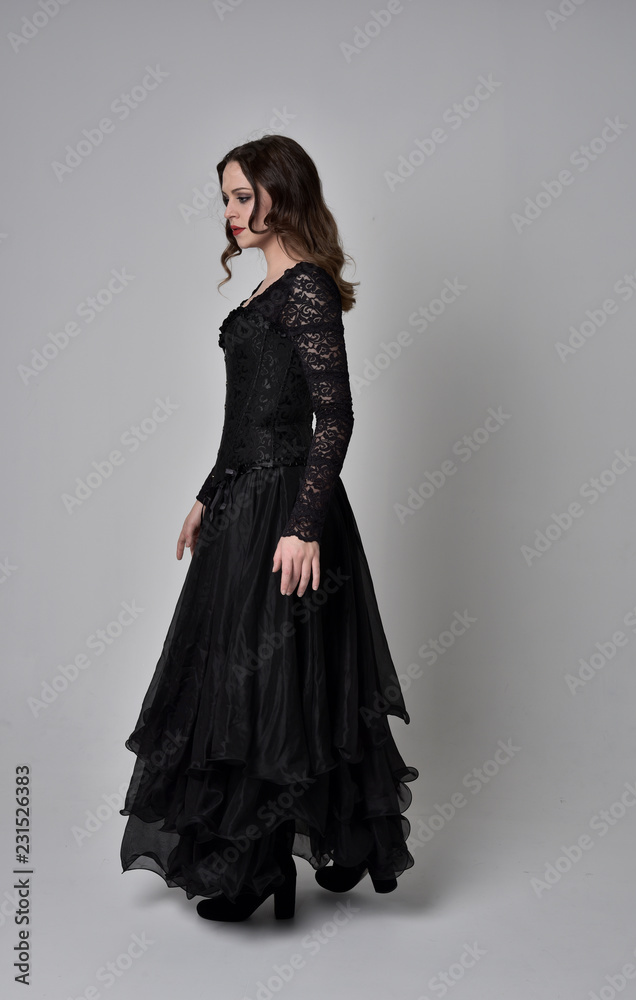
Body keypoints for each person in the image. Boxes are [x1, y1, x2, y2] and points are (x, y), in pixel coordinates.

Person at [119, 134, 418, 922]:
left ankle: (260, 869)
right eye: (224, 197)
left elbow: (334, 417)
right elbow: (246, 419)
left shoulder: (308, 290)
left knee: (274, 687)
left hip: (289, 513)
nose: (230, 213)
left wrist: (304, 525)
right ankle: (259, 865)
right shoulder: (260, 295)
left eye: (242, 195)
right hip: (241, 506)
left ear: (280, 195)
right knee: (238, 685)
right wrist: (205, 493)